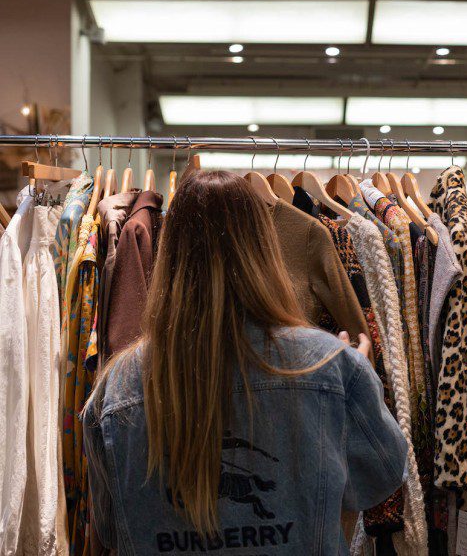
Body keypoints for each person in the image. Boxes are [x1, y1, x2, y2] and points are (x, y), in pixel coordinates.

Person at [83, 171, 407, 553]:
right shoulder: (331, 366)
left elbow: (110, 524)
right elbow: (380, 479)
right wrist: (357, 379)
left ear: (169, 255)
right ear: (264, 249)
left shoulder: (116, 387)